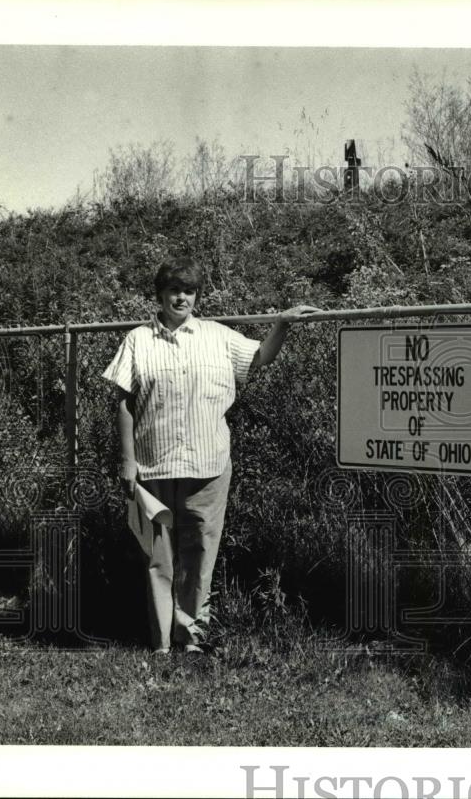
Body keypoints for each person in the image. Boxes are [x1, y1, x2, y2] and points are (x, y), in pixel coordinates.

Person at [102, 259, 319, 654]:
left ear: (196, 296)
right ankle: (161, 644)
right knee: (159, 559)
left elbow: (260, 358)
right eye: (173, 290)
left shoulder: (218, 336)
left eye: (189, 291)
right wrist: (127, 461)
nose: (181, 297)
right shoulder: (137, 340)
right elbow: (124, 403)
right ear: (160, 295)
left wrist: (283, 323)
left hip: (208, 465)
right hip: (153, 467)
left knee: (200, 555)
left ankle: (191, 639)